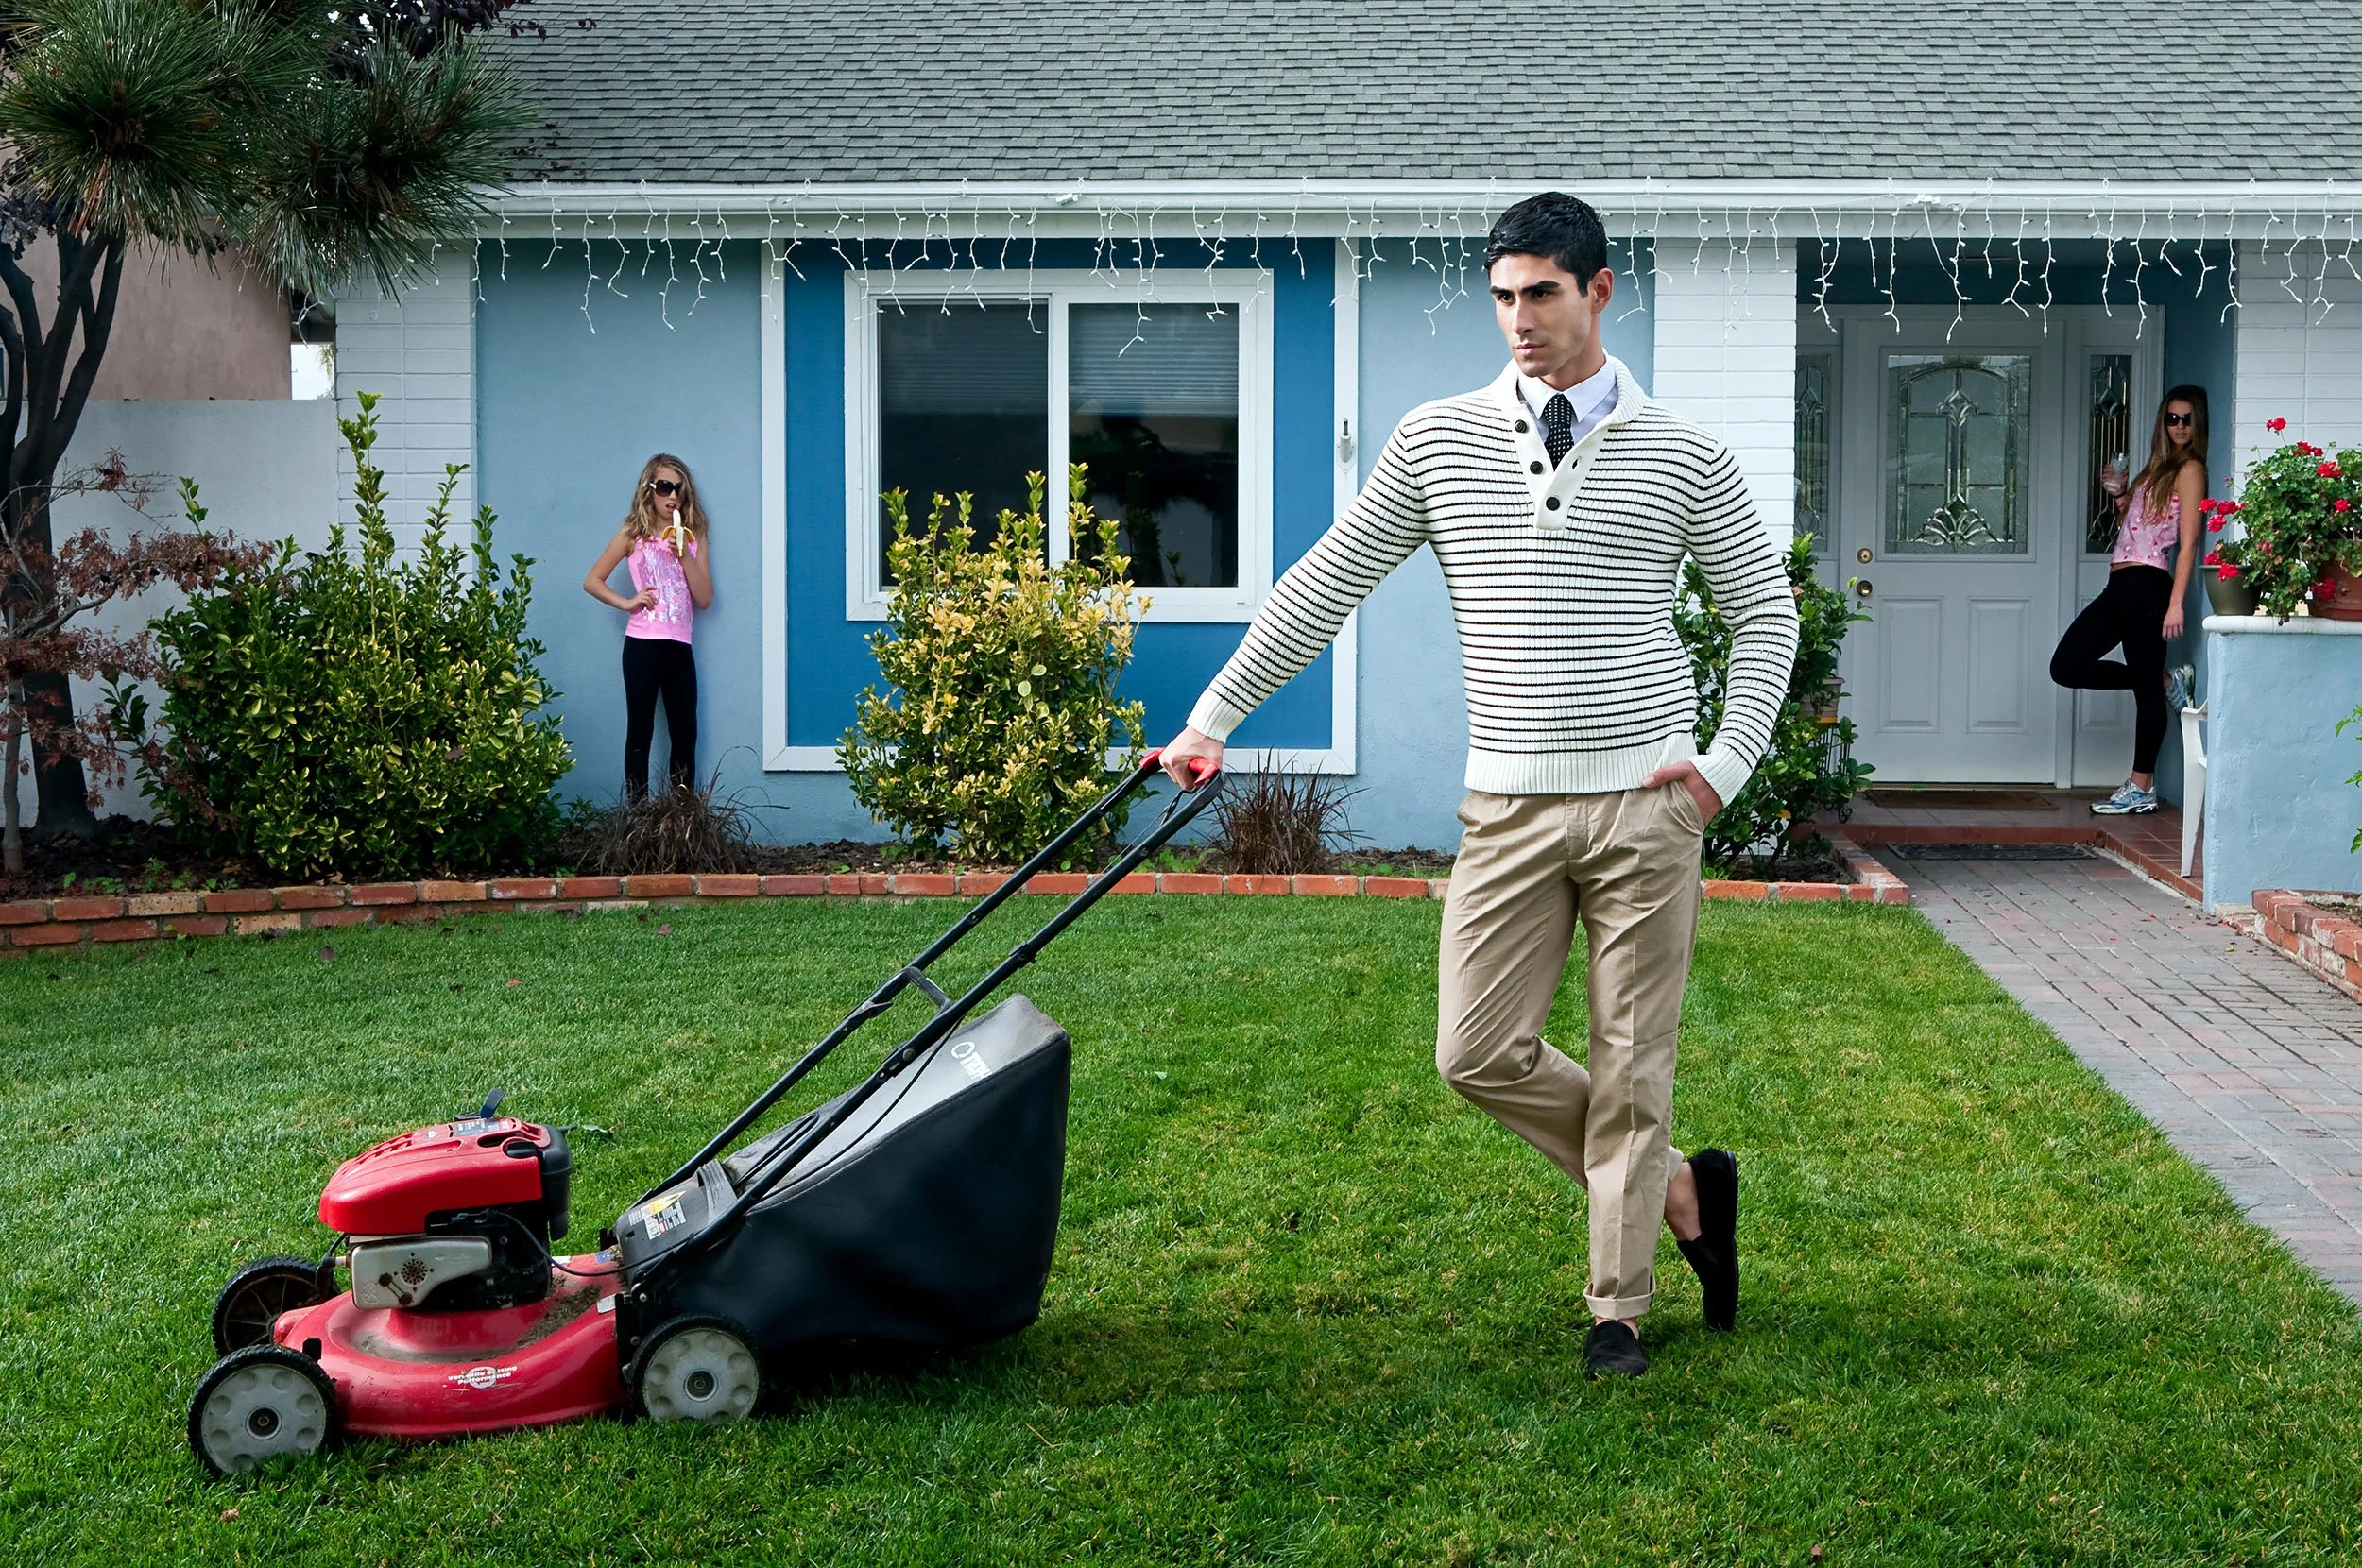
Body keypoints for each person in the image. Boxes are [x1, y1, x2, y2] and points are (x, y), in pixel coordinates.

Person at [1157, 193, 1800, 1378]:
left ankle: (1618, 1310)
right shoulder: (1436, 439)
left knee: (1630, 1057)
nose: (1517, 320)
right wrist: (1213, 717)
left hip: (1647, 802)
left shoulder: (1683, 453)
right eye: (1501, 296)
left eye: (1541, 294)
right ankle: (1678, 1194)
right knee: (1475, 1050)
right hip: (1506, 801)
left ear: (1599, 290)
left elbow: (1766, 618)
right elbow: (1324, 584)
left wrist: (1721, 768)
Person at [2050, 386, 2208, 815]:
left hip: (2150, 587)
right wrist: (2120, 494)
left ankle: (2142, 785)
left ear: (2198, 424)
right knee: (2065, 665)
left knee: (2144, 698)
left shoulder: (2190, 469)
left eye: (2186, 419)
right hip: (2119, 584)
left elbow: (2189, 543)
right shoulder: (2155, 469)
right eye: (2172, 419)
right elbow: (2136, 526)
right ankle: (2164, 681)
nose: (2178, 427)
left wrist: (2176, 603)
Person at [583, 453, 714, 801]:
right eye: (664, 487)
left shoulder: (693, 533)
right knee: (639, 732)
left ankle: (682, 818)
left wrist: (684, 552)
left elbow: (705, 598)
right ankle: (639, 818)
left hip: (679, 646)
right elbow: (593, 580)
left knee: (685, 733)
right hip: (642, 645)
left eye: (679, 489)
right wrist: (627, 602)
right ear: (649, 490)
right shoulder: (633, 534)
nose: (672, 496)